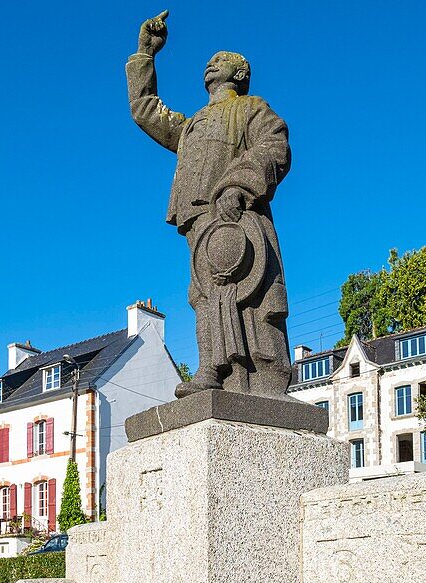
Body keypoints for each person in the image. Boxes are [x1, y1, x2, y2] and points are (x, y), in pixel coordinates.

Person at [126, 11, 294, 399]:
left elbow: (274, 147)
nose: (210, 64)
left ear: (239, 74)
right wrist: (145, 55)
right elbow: (145, 109)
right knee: (204, 296)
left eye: (220, 60)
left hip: (239, 217)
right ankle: (213, 369)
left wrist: (239, 184)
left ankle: (265, 378)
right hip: (199, 218)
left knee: (254, 296)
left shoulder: (252, 107)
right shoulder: (190, 126)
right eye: (209, 61)